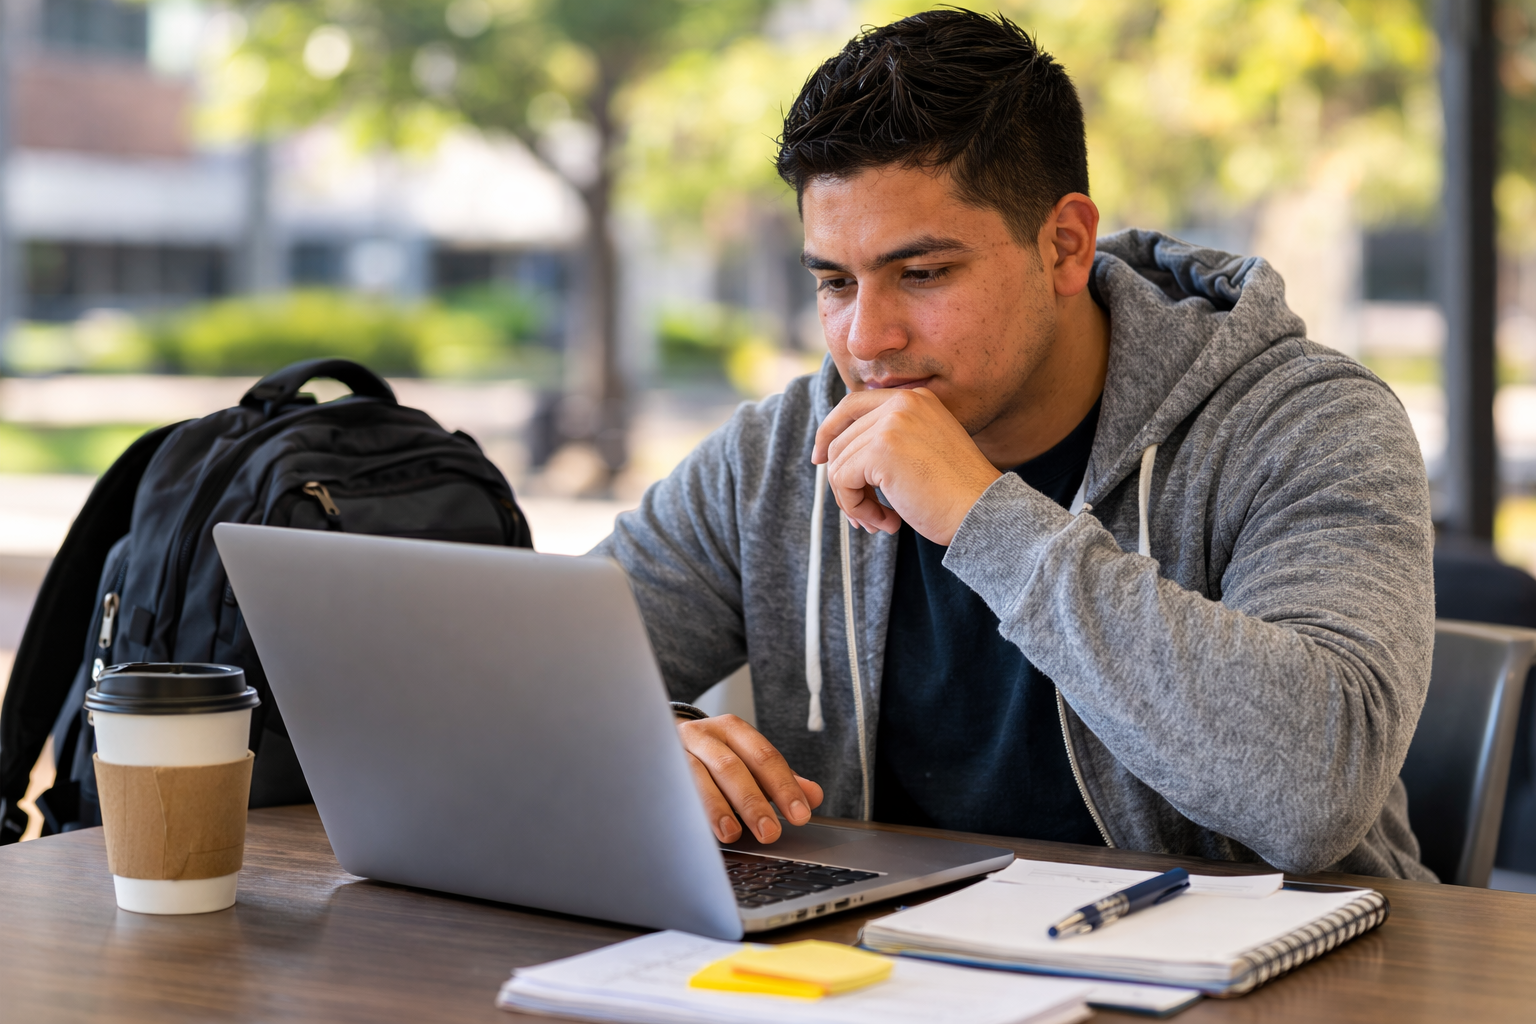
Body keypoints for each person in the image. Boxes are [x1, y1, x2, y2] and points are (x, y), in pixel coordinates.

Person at [596, 9, 1435, 879]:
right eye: (837, 283)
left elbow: (1313, 795)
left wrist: (979, 514)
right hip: (894, 977)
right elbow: (525, 681)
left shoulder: (1302, 422)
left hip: (1271, 982)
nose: (867, 339)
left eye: (921, 274)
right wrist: (657, 743)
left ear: (1065, 245)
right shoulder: (778, 456)